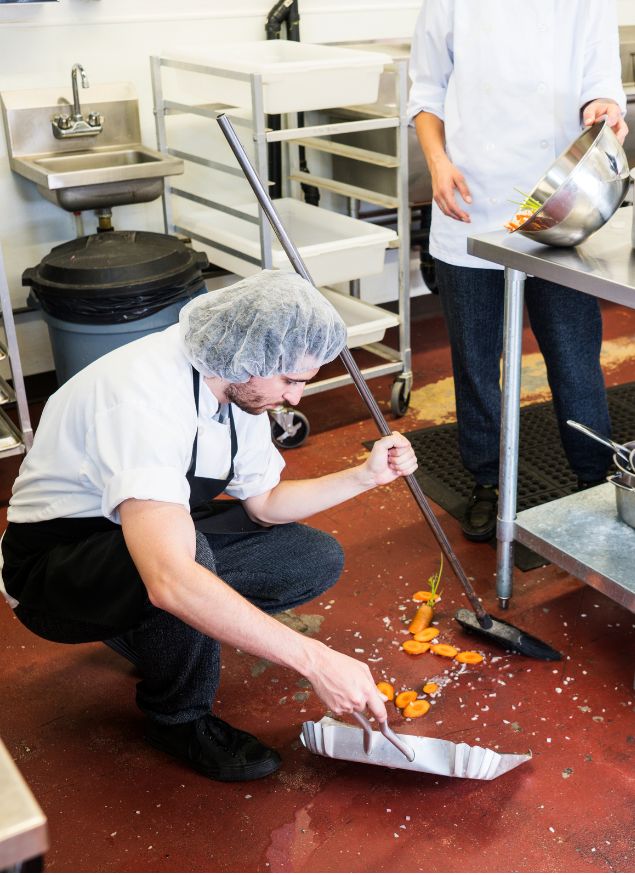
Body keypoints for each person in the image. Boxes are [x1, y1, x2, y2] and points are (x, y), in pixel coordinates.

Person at [0, 270, 418, 782]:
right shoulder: (144, 399)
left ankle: (144, 631)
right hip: (53, 573)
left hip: (136, 538)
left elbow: (264, 502)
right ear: (251, 360)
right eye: (291, 381)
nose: (295, 400)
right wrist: (316, 661)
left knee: (309, 559)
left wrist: (364, 477)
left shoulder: (235, 380)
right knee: (185, 571)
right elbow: (172, 578)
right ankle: (178, 719)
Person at [408, 0, 628, 541]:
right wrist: (438, 163)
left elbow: (602, 80)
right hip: (472, 199)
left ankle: (593, 478)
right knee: (477, 358)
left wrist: (604, 107)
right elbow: (425, 91)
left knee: (575, 355)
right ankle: (487, 481)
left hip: (561, 202)